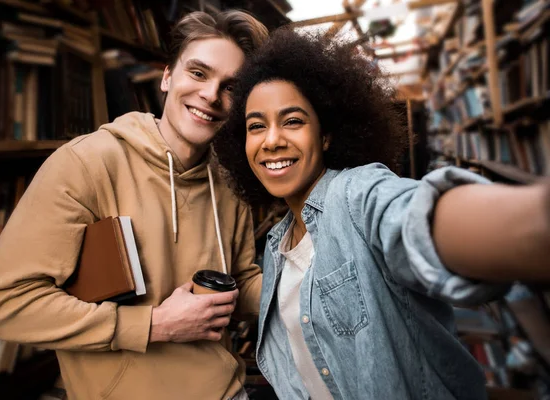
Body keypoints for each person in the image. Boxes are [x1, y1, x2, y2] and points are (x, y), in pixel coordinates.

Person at [213, 28, 550, 400]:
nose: (272, 140)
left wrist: (531, 221)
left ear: (325, 136)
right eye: (256, 126)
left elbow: (415, 219)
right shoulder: (278, 244)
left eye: (292, 121)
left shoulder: (356, 194)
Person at [0, 10, 268, 400]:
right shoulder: (85, 163)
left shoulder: (229, 182)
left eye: (230, 87)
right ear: (167, 77)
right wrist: (155, 324)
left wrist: (308, 286)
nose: (211, 96)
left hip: (226, 392)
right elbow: (4, 306)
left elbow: (242, 279)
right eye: (198, 73)